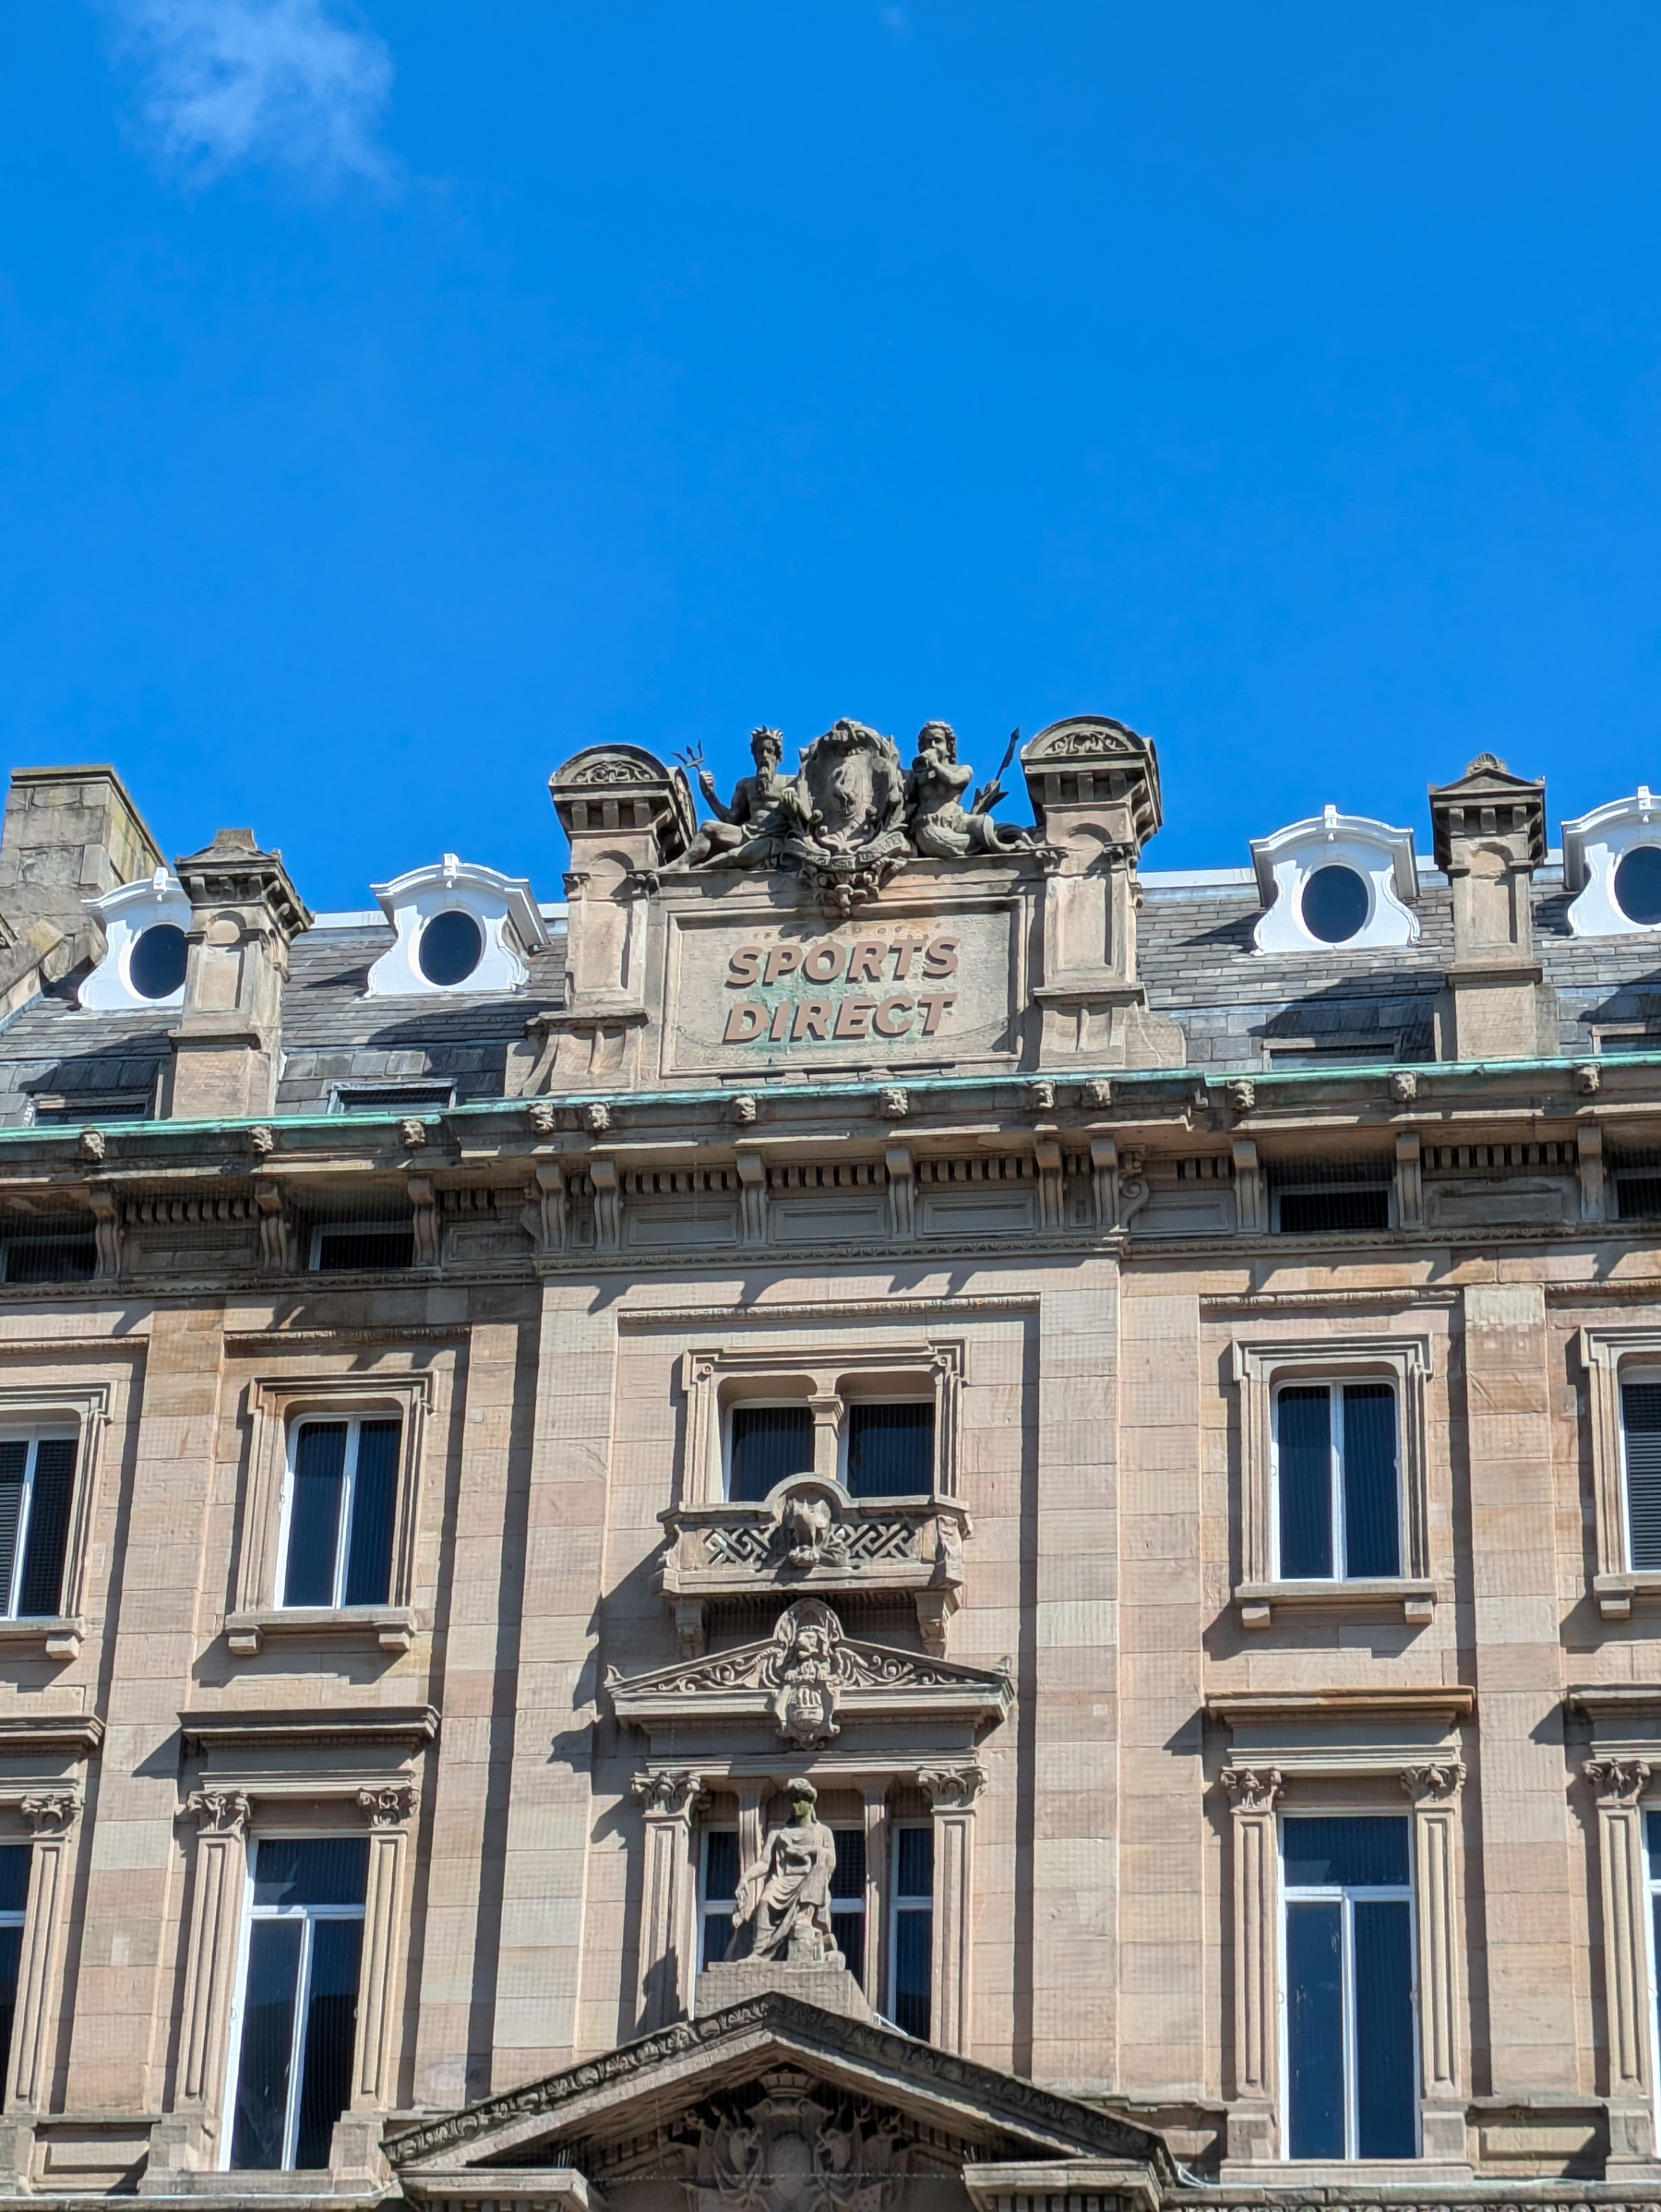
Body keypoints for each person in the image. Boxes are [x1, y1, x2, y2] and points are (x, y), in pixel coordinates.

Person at [731, 1778, 841, 1965]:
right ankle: (759, 1953)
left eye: (799, 1800)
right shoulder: (778, 1833)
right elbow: (764, 1863)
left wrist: (811, 1851)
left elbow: (831, 1860)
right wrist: (745, 1878)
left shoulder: (823, 1832)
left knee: (820, 1866)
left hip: (808, 1881)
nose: (796, 1805)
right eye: (792, 1800)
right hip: (782, 1881)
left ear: (810, 1802)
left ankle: (804, 1917)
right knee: (765, 1900)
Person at [905, 721, 1032, 856]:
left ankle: (1023, 840)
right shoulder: (917, 777)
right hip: (929, 826)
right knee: (966, 841)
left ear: (948, 748)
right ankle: (1003, 847)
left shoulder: (963, 769)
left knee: (984, 822)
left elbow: (955, 781)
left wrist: (935, 764)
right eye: (928, 742)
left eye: (937, 741)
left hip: (957, 820)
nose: (932, 746)